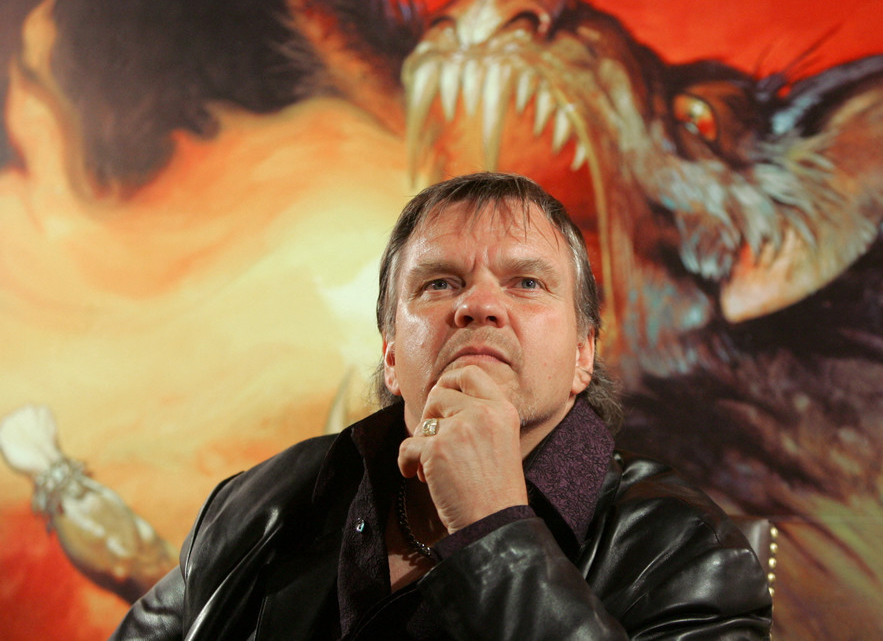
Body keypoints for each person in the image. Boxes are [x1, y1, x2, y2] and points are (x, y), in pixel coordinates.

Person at [111, 172, 772, 640]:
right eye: (439, 283)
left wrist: (494, 527)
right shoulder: (262, 501)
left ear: (583, 355)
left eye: (526, 282)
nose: (478, 304)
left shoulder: (687, 549)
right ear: (391, 354)